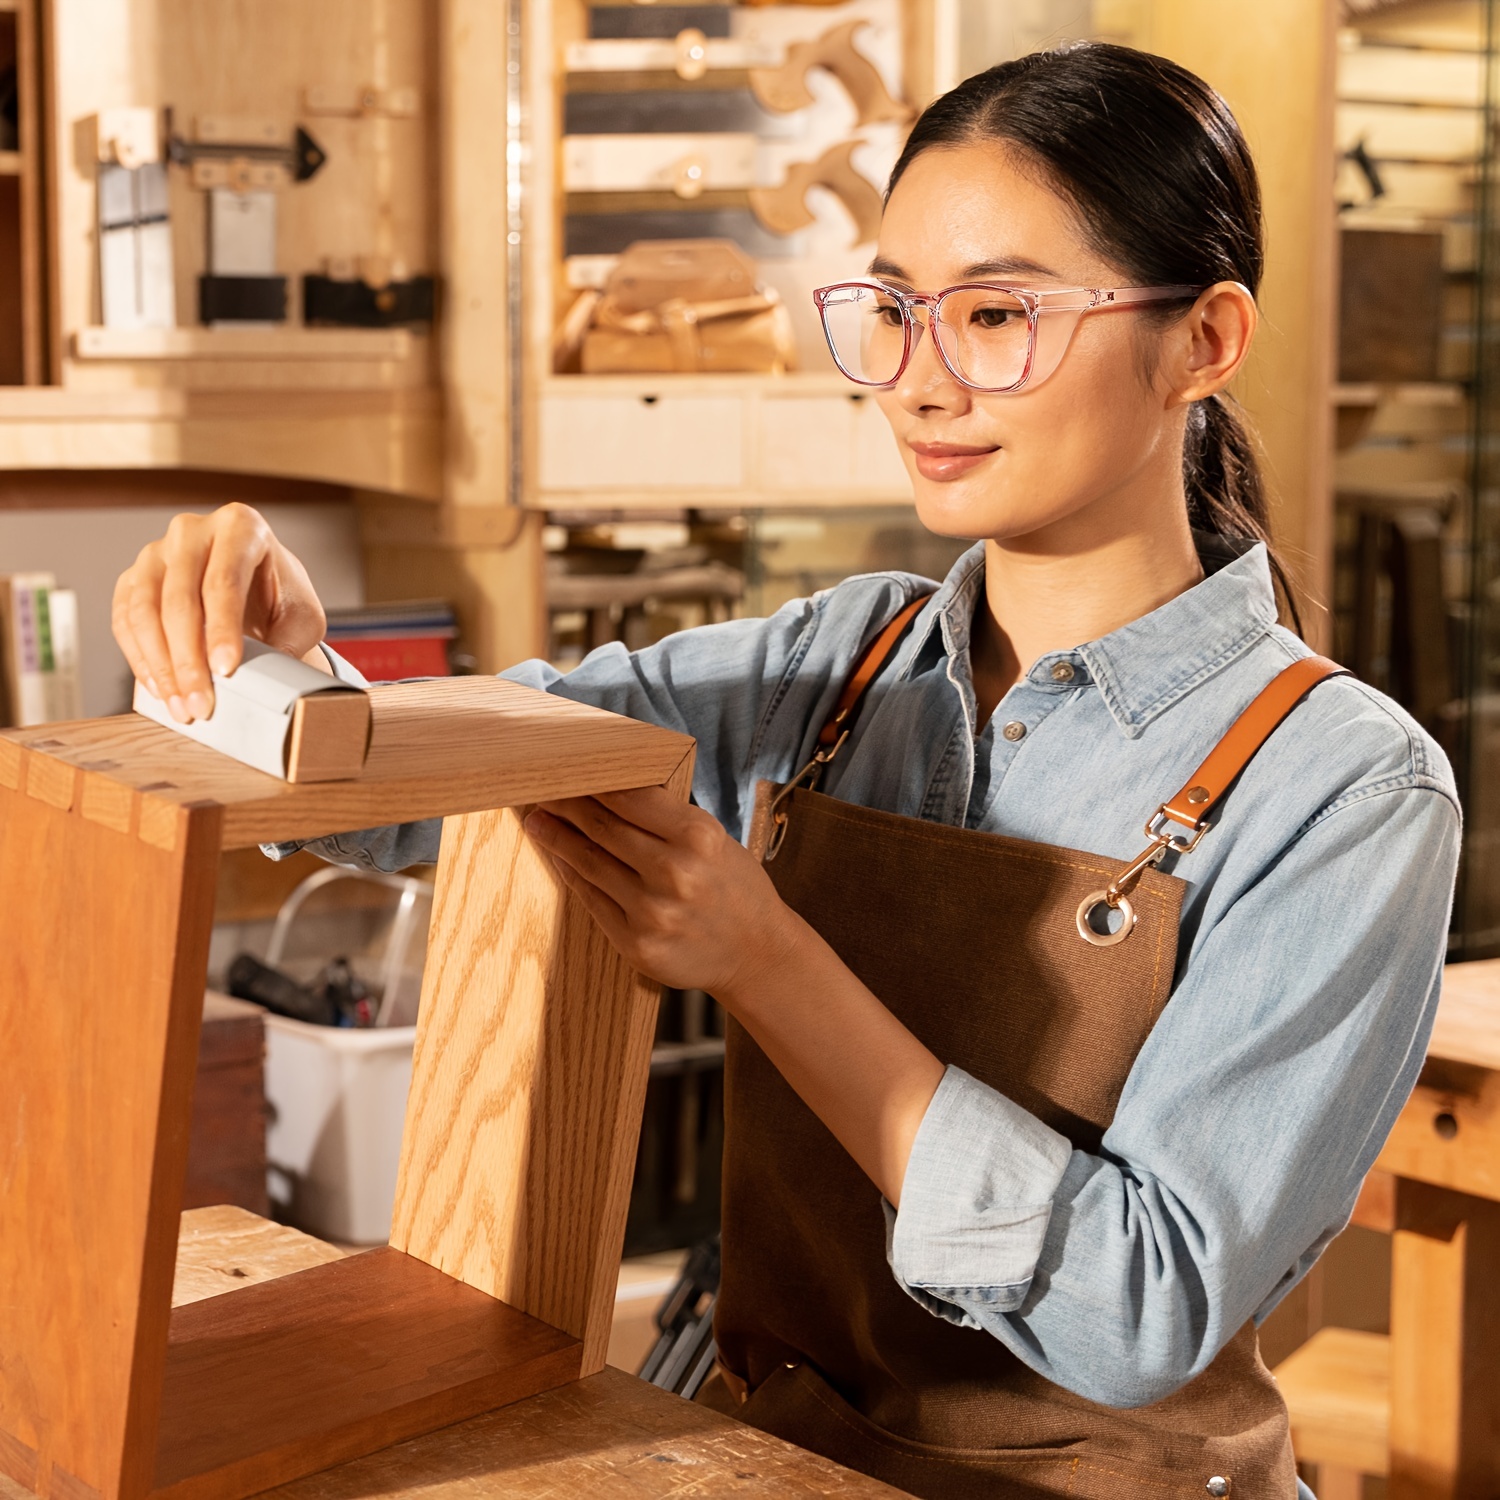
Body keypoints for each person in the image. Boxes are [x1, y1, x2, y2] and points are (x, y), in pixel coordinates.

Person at [113, 43, 1458, 1500]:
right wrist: (264, 665)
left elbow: (1139, 1311)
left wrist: (766, 961)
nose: (922, 382)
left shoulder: (1344, 793)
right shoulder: (837, 668)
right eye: (893, 311)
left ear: (1204, 339)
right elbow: (430, 793)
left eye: (996, 313)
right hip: (777, 1461)